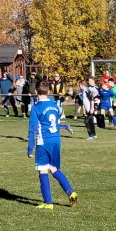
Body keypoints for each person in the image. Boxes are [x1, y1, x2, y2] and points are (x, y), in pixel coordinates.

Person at [27, 82, 78, 210]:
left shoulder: (36, 107)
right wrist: (65, 126)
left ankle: (48, 203)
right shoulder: (55, 105)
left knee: (43, 170)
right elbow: (55, 122)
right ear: (48, 92)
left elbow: (33, 129)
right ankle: (71, 192)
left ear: (36, 93)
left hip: (44, 141)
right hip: (56, 140)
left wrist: (30, 148)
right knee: (54, 169)